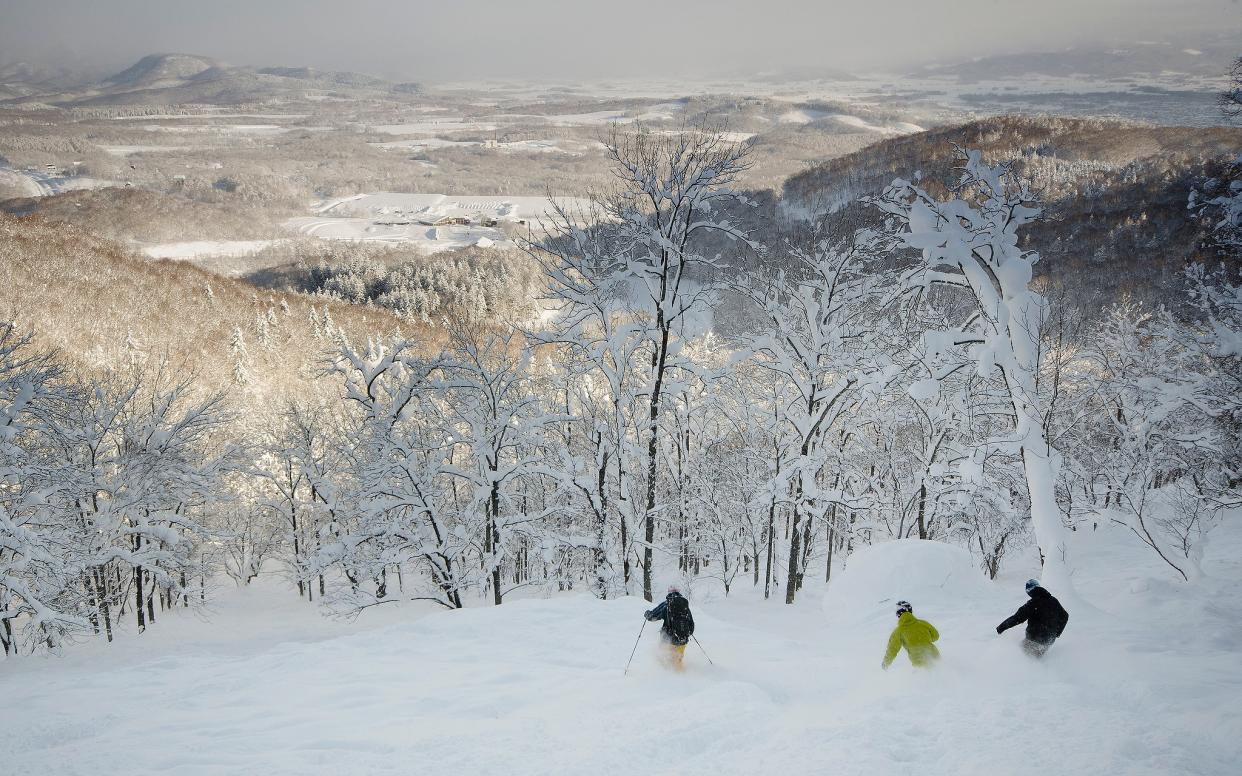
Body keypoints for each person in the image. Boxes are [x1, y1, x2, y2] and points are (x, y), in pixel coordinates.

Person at [996, 579, 1069, 658]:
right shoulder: (1053, 600)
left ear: (1029, 591)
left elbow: (1017, 618)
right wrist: (1057, 633)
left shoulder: (1033, 603)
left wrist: (1001, 628)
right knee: (1037, 660)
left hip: (1034, 640)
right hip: (1048, 642)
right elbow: (1065, 616)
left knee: (1018, 656)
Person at [644, 585, 695, 670]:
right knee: (677, 662)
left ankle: (667, 680)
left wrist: (647, 614)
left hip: (667, 640)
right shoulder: (685, 606)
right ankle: (682, 679)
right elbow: (691, 625)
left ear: (669, 592)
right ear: (678, 592)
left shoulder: (666, 604)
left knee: (664, 662)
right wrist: (683, 634)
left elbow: (652, 616)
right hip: (682, 641)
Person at [882, 600, 941, 669]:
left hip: (919, 663)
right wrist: (925, 640)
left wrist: (886, 663)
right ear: (910, 611)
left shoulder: (898, 631)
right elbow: (936, 636)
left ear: (898, 614)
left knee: (927, 678)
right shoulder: (922, 623)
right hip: (935, 657)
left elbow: (892, 649)